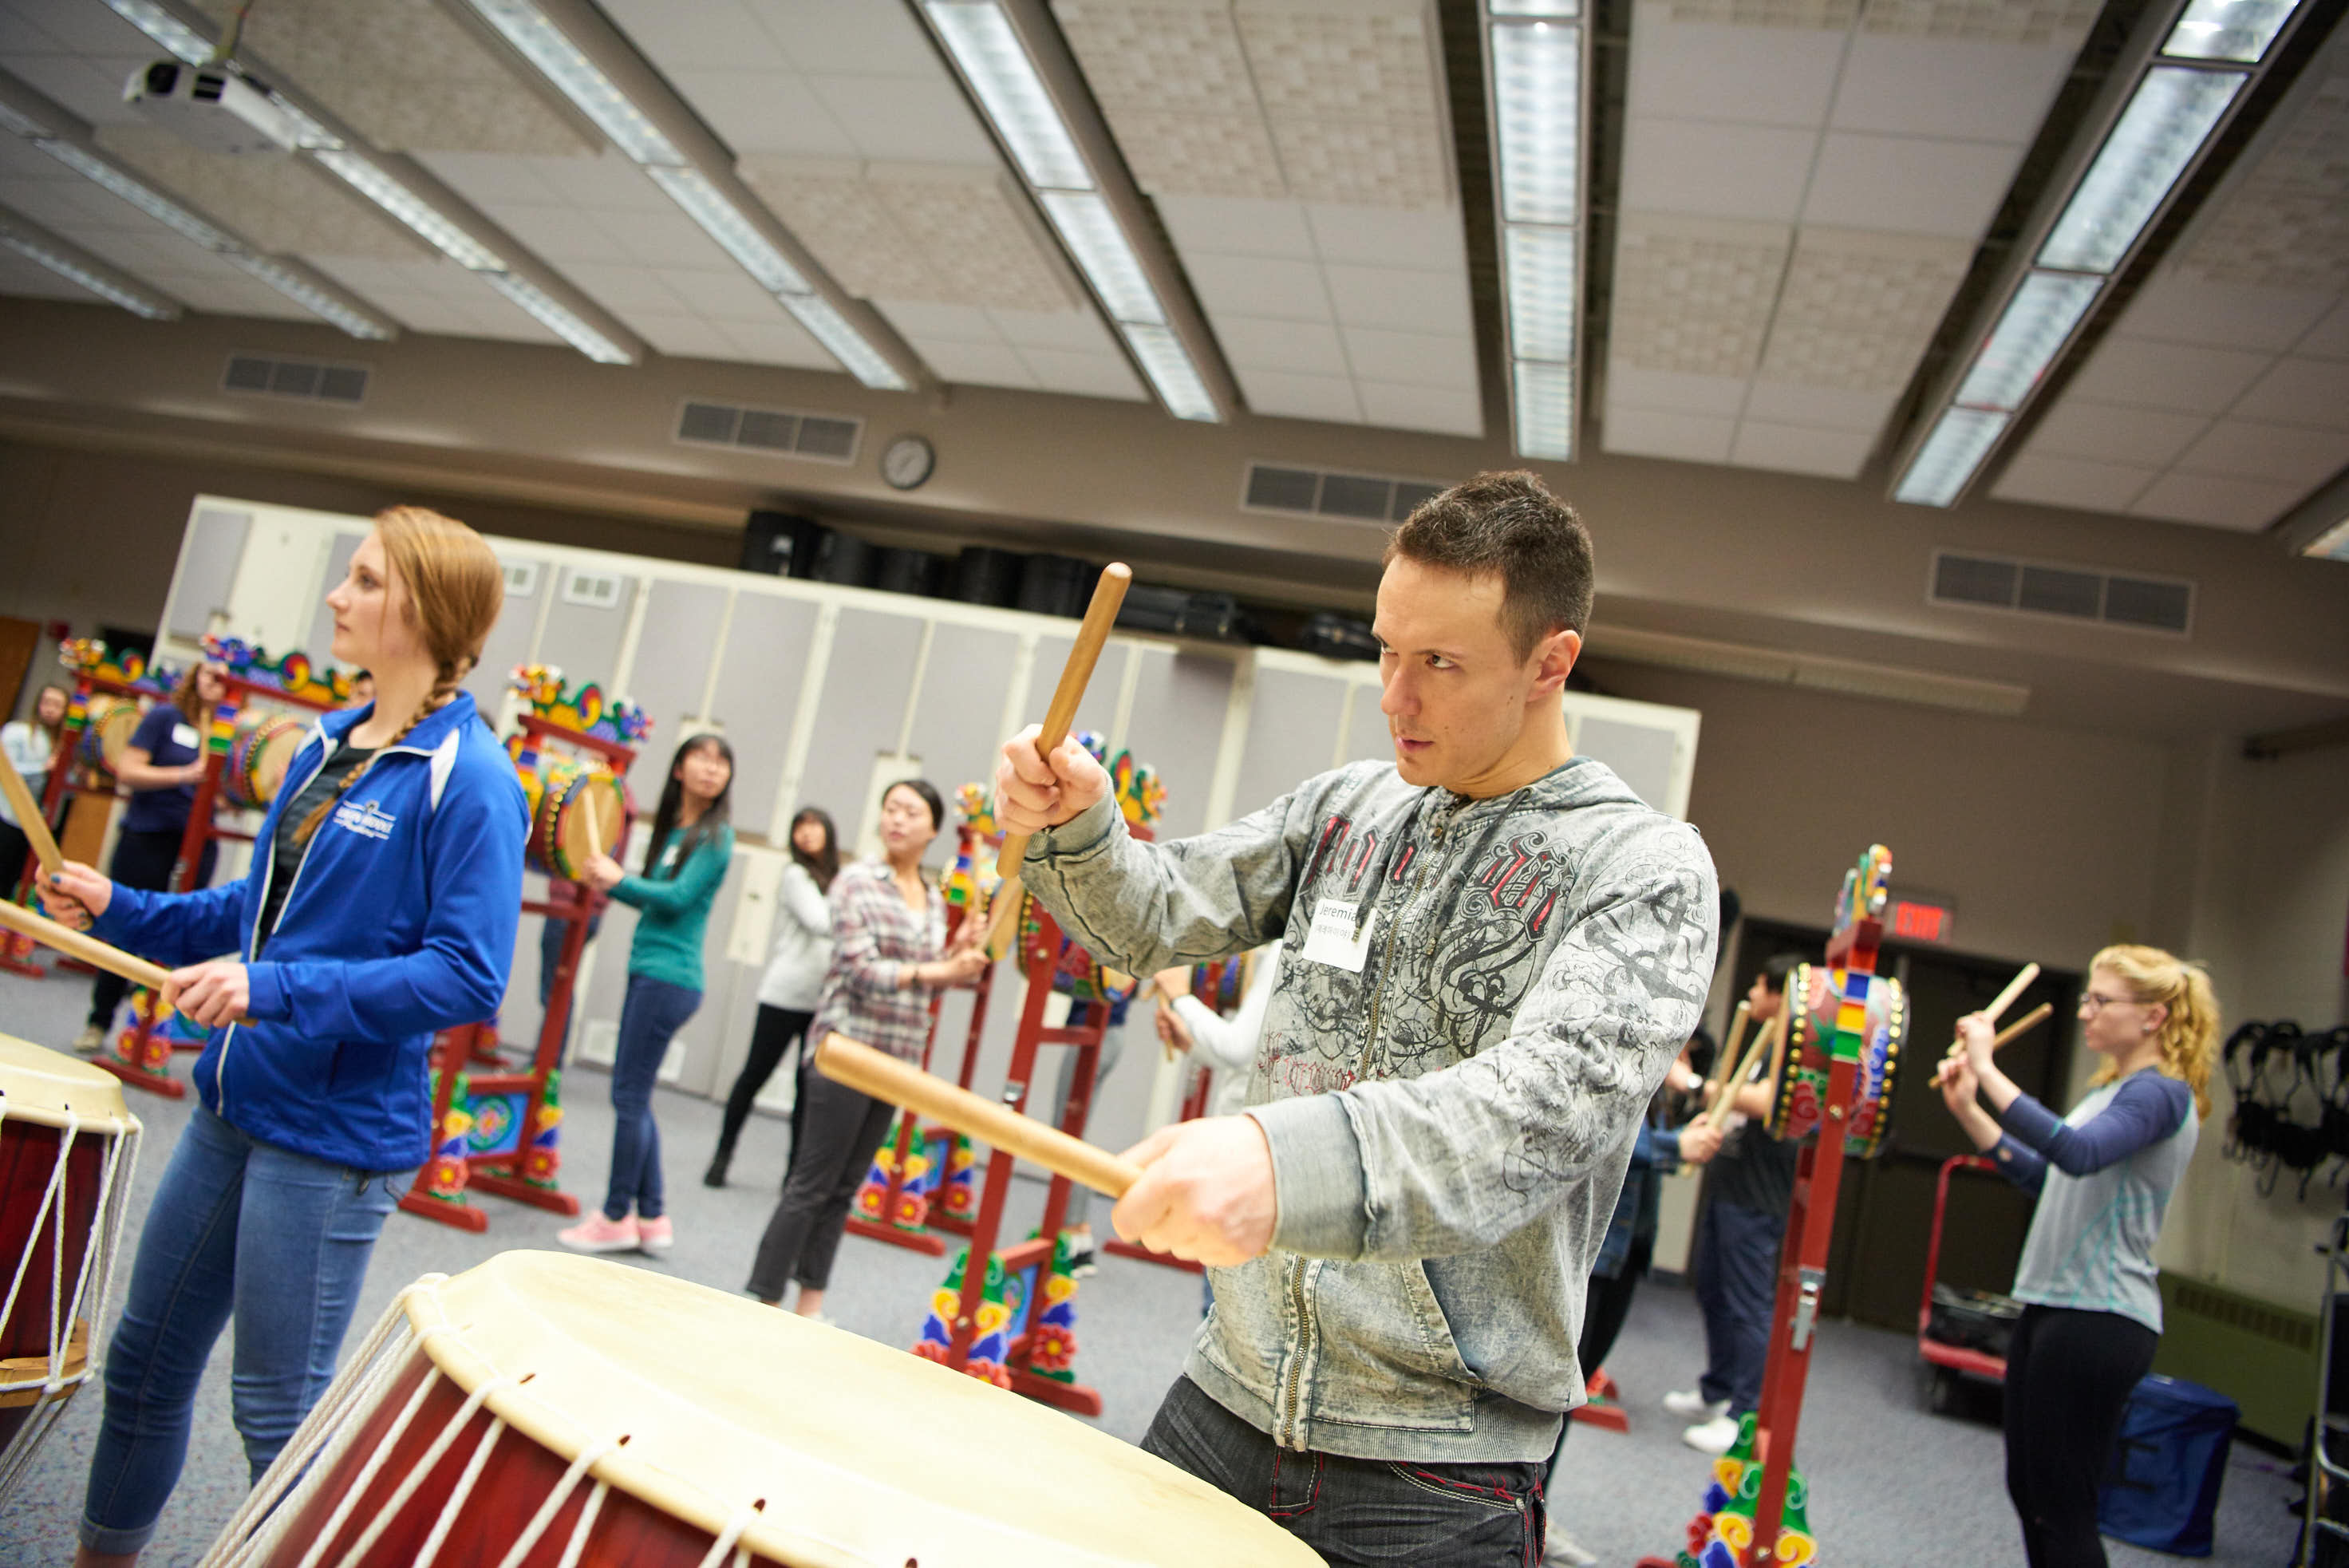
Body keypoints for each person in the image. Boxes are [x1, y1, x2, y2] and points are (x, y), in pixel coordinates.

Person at [993, 470, 1719, 1566]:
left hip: (1431, 1468)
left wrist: (1284, 1158)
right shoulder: (1350, 807)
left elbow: (1534, 1115)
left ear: (1549, 663)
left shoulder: (1644, 871)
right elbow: (1154, 914)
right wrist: (1084, 826)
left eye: (1439, 663)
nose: (1395, 695)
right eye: (1388, 649)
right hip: (1221, 1396)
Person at [39, 505, 523, 1568]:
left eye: (361, 580)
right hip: (233, 1103)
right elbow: (254, 913)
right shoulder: (328, 744)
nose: (337, 598)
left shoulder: (473, 781)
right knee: (147, 1362)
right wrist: (115, 903)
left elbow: (466, 973)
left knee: (275, 1416)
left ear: (423, 611)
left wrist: (272, 989)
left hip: (333, 1137)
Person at [1939, 945, 2218, 1568]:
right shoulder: (2115, 1090)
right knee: (2031, 1492)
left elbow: (2077, 1152)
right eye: (2087, 997)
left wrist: (1986, 1067)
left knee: (2064, 1504)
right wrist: (1968, 1107)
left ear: (2154, 1016)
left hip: (2102, 1316)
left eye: (2101, 999)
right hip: (2056, 1305)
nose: (2086, 1011)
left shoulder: (2160, 1095)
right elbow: (2050, 1175)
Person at [746, 779, 987, 1321]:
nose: (897, 819)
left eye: (911, 811)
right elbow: (859, 968)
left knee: (844, 1188)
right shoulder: (855, 881)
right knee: (811, 1182)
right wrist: (939, 968)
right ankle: (762, 1299)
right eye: (890, 808)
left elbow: (924, 973)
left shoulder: (928, 894)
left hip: (897, 1058)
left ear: (933, 828)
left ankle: (809, 1305)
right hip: (845, 1049)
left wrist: (957, 951)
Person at [1546, 1042, 1723, 1565]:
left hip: (1628, 1250)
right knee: (1554, 1391)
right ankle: (1523, 1510)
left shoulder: (1663, 1068)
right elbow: (1603, 1128)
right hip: (1595, 1250)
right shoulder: (1617, 1045)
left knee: (1575, 1387)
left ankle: (1537, 1507)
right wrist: (1674, 1146)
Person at [559, 732, 736, 1255]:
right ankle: (653, 1216)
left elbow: (677, 899)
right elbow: (658, 900)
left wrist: (617, 881)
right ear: (679, 768)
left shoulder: (715, 834)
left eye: (720, 761)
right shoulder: (678, 828)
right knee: (636, 1097)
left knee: (628, 1096)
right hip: (654, 973)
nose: (710, 768)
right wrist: (616, 881)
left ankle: (616, 1214)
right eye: (700, 757)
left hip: (669, 978)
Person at [1665, 954, 1804, 1455]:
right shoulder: (1767, 1041)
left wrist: (1698, 1086)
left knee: (1748, 1304)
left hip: (1758, 1195)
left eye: (1761, 987)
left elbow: (1768, 1102)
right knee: (1713, 1289)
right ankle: (1718, 1390)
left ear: (1780, 992)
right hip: (1730, 1185)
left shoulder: (1799, 1049)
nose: (1753, 997)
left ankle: (1746, 1415)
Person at [71, 661, 228, 1055]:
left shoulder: (228, 733)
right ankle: (99, 1020)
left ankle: (153, 1032)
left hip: (196, 844)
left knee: (181, 933)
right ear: (194, 677)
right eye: (211, 675)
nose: (218, 684)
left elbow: (230, 793)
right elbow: (127, 769)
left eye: (226, 680)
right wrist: (182, 776)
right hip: (148, 837)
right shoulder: (164, 717)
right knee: (124, 928)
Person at [706, 805, 840, 1188]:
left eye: (814, 826)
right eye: (799, 828)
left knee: (806, 1088)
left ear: (829, 832)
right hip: (784, 994)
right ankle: (723, 1154)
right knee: (754, 1075)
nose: (807, 834)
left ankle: (793, 1174)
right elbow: (819, 922)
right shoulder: (796, 875)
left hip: (821, 1000)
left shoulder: (836, 878)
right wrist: (857, 919)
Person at [0, 681, 68, 897]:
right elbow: (6, 770)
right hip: (8, 816)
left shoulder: (62, 742)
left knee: (14, 880)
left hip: (37, 824)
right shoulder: (17, 731)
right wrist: (43, 767)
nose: (50, 709)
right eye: (47, 702)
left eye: (57, 705)